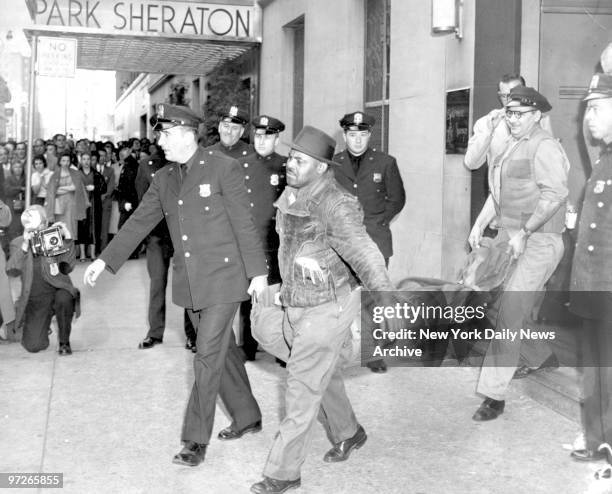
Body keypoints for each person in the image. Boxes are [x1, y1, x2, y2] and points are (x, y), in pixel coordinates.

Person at [84, 104, 268, 468]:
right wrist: (105, 259)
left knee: (205, 355)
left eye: (165, 134)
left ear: (186, 134)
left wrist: (258, 273)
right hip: (191, 280)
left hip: (225, 277)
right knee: (222, 352)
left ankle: (194, 440)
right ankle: (248, 415)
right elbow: (138, 222)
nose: (159, 141)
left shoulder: (223, 168)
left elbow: (244, 223)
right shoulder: (164, 178)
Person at [250, 126, 396, 494]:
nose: (290, 165)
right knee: (312, 365)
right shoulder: (293, 194)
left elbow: (366, 256)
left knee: (299, 387)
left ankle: (283, 473)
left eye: (300, 161)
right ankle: (350, 432)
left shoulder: (336, 203)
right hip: (297, 301)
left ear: (320, 167)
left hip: (328, 307)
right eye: (291, 158)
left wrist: (388, 307)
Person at [469, 86, 569, 421]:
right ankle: (540, 355)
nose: (512, 119)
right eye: (509, 113)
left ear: (537, 115)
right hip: (510, 236)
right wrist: (480, 225)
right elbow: (496, 194)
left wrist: (525, 232)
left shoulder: (545, 147)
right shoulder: (513, 145)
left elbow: (555, 194)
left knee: (510, 310)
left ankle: (494, 396)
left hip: (540, 241)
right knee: (500, 306)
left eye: (519, 114)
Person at [333, 111, 406, 374]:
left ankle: (373, 352)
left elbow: (397, 199)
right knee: (341, 296)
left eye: (362, 135)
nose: (357, 141)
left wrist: (378, 222)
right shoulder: (333, 163)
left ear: (369, 136)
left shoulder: (385, 162)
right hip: (341, 242)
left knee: (373, 298)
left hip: (374, 240)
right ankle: (340, 349)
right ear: (344, 136)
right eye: (352, 135)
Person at [569, 72, 612, 465]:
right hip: (595, 287)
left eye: (597, 109)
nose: (589, 118)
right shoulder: (605, 161)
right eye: (587, 109)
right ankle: (601, 441)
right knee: (597, 370)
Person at [134, 142, 197, 351]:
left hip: (182, 234)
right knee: (157, 284)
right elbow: (142, 200)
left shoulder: (186, 161)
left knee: (188, 285)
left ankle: (193, 335)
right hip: (157, 236)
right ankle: (154, 333)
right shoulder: (147, 165)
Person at [237, 115, 286, 361]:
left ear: (277, 138)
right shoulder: (240, 165)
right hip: (250, 241)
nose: (262, 140)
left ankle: (281, 349)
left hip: (278, 242)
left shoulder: (286, 166)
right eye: (258, 135)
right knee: (249, 297)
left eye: (268, 136)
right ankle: (247, 346)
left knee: (279, 295)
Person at [7, 205, 79, 354]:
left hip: (57, 291)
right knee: (33, 346)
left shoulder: (52, 238)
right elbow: (12, 270)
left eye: (41, 223)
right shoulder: (19, 243)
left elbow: (68, 267)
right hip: (36, 299)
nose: (38, 228)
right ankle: (43, 325)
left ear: (46, 223)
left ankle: (64, 342)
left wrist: (68, 239)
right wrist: (25, 247)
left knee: (64, 299)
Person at [464, 73, 554, 171]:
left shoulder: (540, 119)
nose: (508, 100)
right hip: (499, 185)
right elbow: (471, 163)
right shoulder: (486, 122)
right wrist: (488, 132)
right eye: (504, 96)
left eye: (514, 95)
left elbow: (551, 163)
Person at [46, 152, 89, 239]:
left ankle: (71, 250)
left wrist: (61, 189)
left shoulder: (75, 173)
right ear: (60, 162)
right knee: (59, 228)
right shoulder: (54, 175)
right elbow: (52, 192)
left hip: (72, 204)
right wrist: (69, 188)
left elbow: (77, 188)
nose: (66, 163)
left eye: (68, 161)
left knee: (71, 228)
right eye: (63, 161)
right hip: (58, 205)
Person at [77, 151, 106, 261]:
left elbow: (104, 188)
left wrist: (94, 188)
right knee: (81, 228)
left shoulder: (97, 174)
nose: (86, 162)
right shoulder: (77, 174)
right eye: (84, 159)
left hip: (94, 205)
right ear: (81, 160)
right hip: (81, 205)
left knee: (94, 228)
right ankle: (83, 254)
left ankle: (93, 254)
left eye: (88, 159)